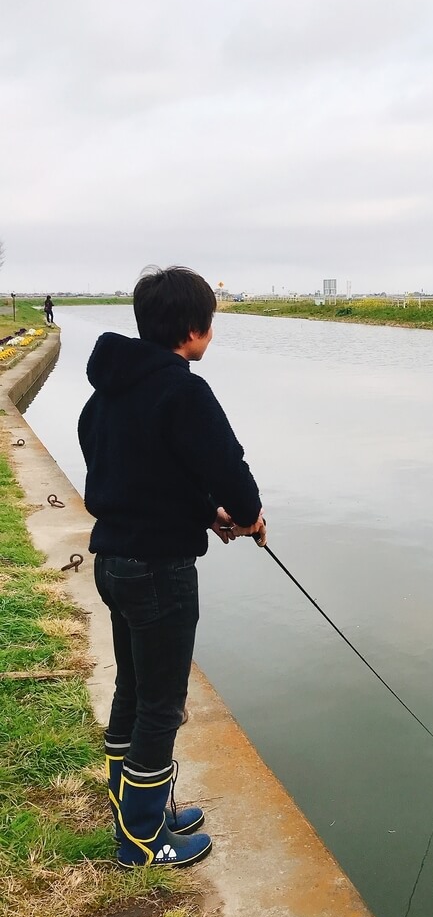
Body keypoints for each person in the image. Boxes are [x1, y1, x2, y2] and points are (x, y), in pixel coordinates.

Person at [78, 265, 266, 868]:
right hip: (160, 570)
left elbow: (138, 473)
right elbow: (227, 465)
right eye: (210, 324)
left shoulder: (106, 391)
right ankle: (139, 837)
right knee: (163, 703)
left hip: (114, 562)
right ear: (193, 328)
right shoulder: (184, 390)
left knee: (135, 688)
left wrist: (202, 512)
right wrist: (248, 516)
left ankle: (134, 800)